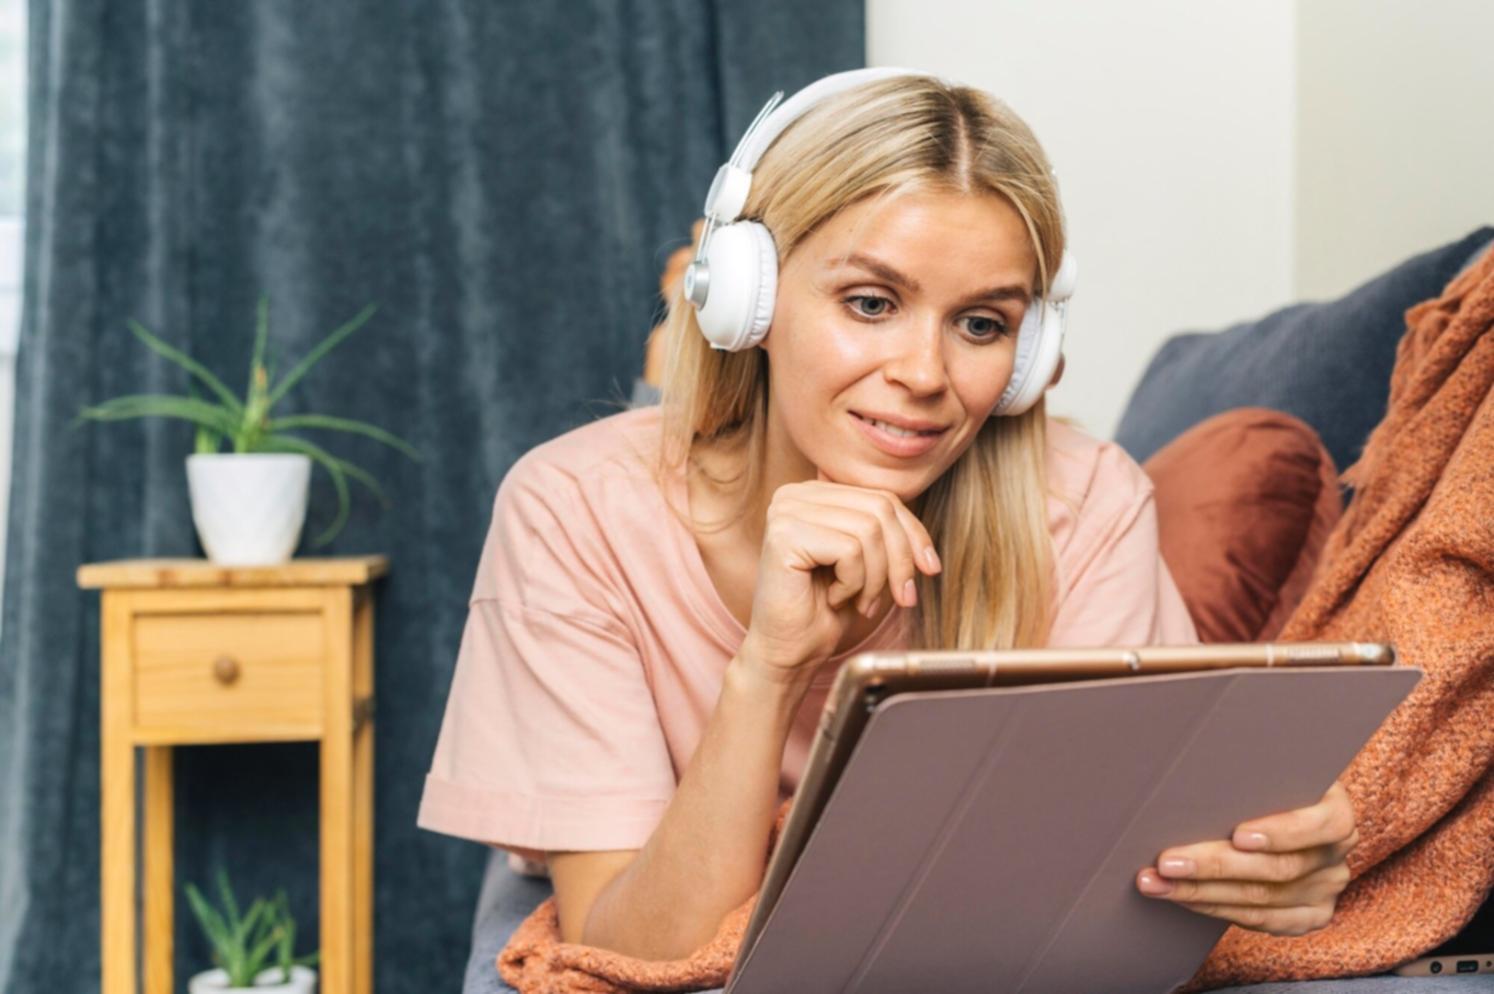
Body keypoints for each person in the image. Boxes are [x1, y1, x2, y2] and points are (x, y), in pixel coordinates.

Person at [417, 69, 1358, 962]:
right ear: (748, 298)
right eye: (871, 303)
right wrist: (768, 669)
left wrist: (1255, 873)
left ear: (1029, 356)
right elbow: (628, 956)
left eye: (982, 325)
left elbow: (1100, 890)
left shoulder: (1086, 503)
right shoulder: (573, 510)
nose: (923, 375)